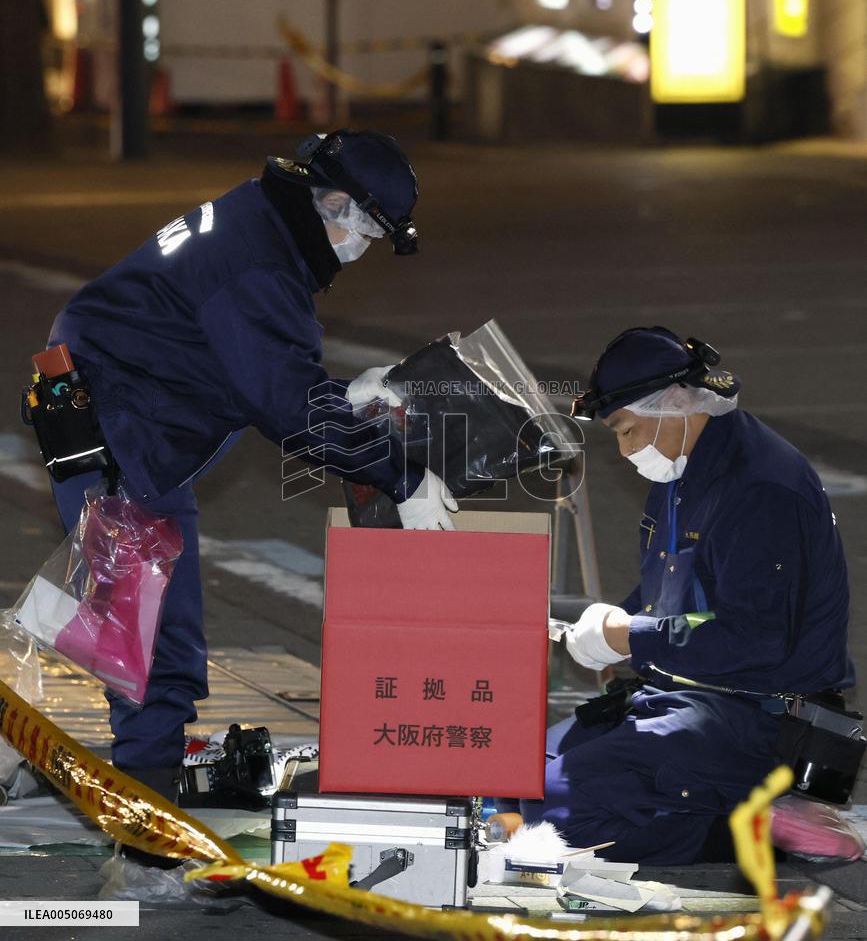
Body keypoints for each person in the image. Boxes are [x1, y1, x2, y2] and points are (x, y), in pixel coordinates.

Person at [45, 129, 457, 865]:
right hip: (118, 420)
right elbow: (286, 406)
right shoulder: (263, 263)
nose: (360, 248)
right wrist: (405, 476)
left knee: (146, 623)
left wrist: (336, 393)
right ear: (331, 202)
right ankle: (145, 836)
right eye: (362, 229)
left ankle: (128, 790)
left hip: (118, 404)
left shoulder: (255, 218)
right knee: (153, 638)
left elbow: (247, 365)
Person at [524, 326, 854, 864]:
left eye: (627, 429)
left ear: (676, 401)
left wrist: (627, 637)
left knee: (559, 813)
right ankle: (731, 805)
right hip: (697, 692)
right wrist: (619, 620)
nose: (625, 448)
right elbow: (671, 592)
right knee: (519, 774)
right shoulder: (687, 464)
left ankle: (752, 826)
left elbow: (754, 638)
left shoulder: (760, 489)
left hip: (761, 717)